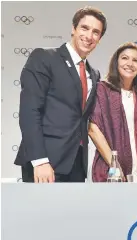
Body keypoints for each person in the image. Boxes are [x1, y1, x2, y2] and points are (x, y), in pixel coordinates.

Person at [14, 6, 107, 183]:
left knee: (71, 212)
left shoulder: (94, 74)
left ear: (99, 39)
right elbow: (30, 111)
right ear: (73, 29)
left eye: (96, 32)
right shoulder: (44, 58)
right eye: (84, 28)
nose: (89, 36)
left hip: (76, 165)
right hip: (45, 163)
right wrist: (40, 161)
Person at [89, 42, 137, 182]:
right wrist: (114, 165)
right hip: (112, 170)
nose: (130, 63)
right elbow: (93, 128)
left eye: (135, 60)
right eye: (124, 58)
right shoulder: (102, 90)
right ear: (116, 63)